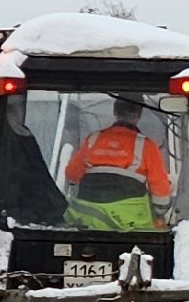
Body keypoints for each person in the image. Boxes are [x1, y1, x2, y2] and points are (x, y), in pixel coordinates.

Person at [64, 98, 172, 231]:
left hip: (89, 218)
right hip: (130, 222)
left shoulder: (93, 139)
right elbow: (160, 189)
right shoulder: (147, 145)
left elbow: (71, 175)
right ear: (139, 114)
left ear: (115, 111)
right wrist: (160, 212)